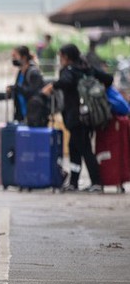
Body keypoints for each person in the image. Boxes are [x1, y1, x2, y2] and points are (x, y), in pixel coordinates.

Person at [42, 44, 113, 193]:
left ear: (66, 57)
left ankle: (96, 182)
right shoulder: (87, 68)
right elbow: (109, 78)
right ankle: (74, 182)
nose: (60, 59)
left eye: (60, 56)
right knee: (74, 149)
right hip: (88, 115)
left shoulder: (68, 71)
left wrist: (53, 85)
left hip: (75, 117)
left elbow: (66, 82)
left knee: (85, 149)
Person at [6, 45, 45, 123]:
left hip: (33, 116)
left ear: (23, 57)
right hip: (21, 115)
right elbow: (17, 92)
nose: (13, 59)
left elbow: (33, 92)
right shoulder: (20, 72)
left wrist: (15, 88)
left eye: (15, 56)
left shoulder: (33, 72)